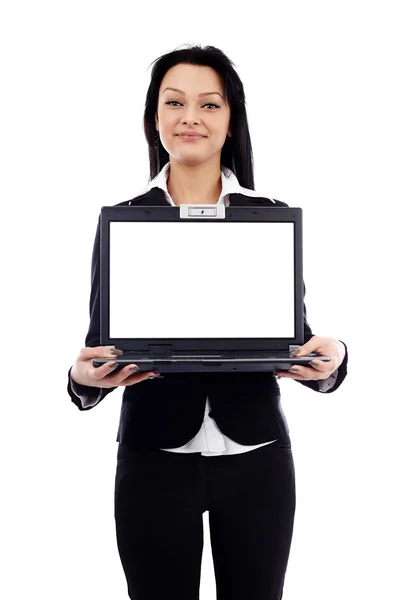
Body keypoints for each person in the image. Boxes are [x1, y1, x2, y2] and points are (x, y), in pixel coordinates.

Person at [67, 44, 348, 600]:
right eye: (174, 102)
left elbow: (294, 337)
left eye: (209, 104)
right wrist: (80, 381)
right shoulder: (124, 221)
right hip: (153, 459)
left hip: (257, 459)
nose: (190, 117)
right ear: (155, 118)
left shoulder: (267, 216)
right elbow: (99, 345)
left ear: (230, 119)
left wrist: (332, 361)